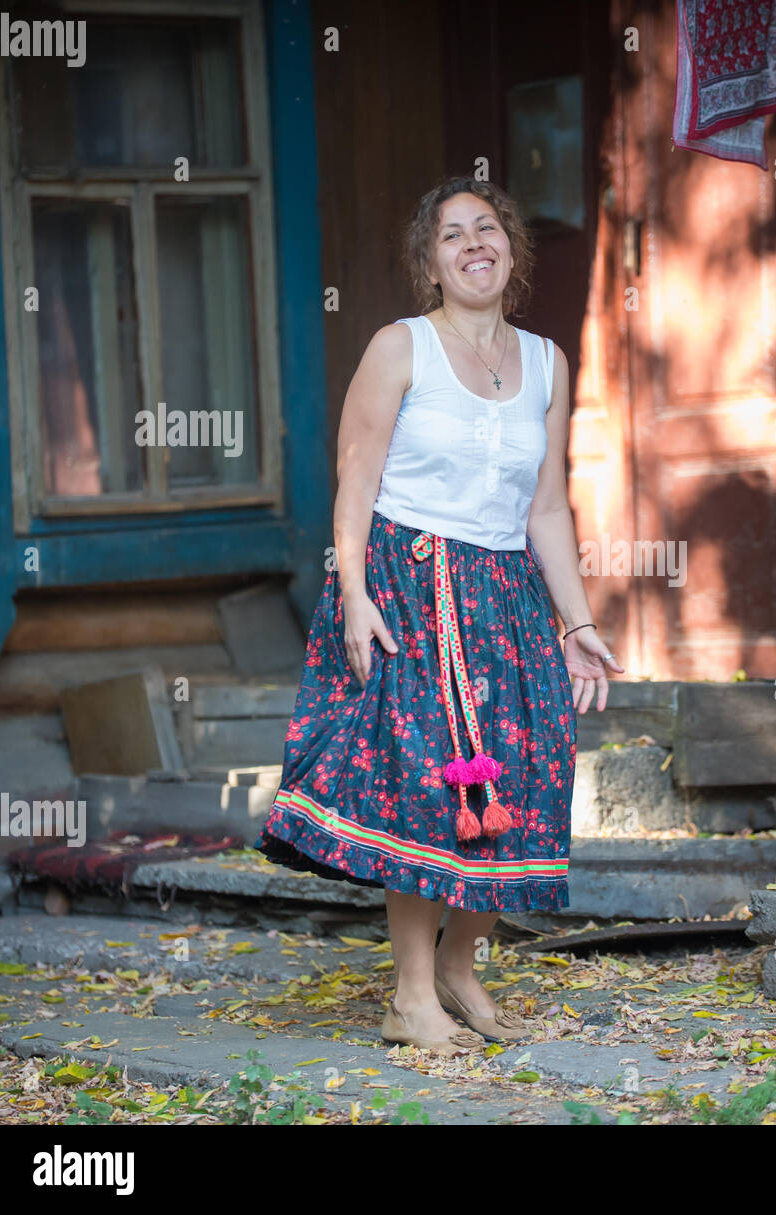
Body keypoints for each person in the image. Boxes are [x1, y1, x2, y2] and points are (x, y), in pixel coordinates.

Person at [257, 175, 623, 1055]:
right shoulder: (400, 348)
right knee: (430, 784)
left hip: (506, 596)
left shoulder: (545, 361)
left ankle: (462, 965)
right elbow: (357, 475)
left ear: (511, 248)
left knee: (521, 777)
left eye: (486, 228)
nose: (473, 245)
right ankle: (410, 995)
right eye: (452, 235)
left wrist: (577, 624)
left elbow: (546, 507)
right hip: (410, 586)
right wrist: (353, 594)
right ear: (432, 263)